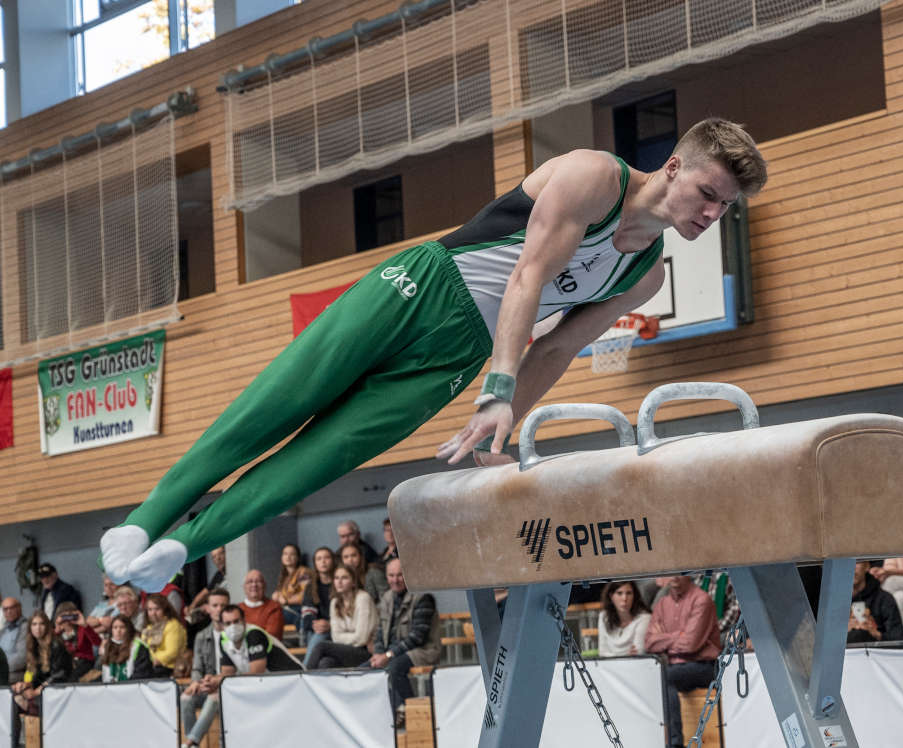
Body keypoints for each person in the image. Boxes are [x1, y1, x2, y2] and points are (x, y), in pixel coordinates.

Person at [100, 119, 768, 591]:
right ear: (674, 166)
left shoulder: (647, 275)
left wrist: (501, 421)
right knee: (272, 408)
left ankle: (184, 544)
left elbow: (558, 344)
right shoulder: (596, 177)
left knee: (322, 457)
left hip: (460, 353)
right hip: (422, 287)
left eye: (726, 207)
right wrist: (498, 387)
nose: (713, 214)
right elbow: (526, 275)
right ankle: (146, 518)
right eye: (708, 194)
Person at [645, 576, 721, 748]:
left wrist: (664, 639)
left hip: (705, 667)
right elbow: (649, 643)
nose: (674, 577)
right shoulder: (662, 604)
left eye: (679, 572)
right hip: (675, 668)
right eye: (670, 572)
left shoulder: (702, 599)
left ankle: (675, 744)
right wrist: (679, 635)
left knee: (666, 676)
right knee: (656, 676)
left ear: (689, 574)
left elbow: (690, 644)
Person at [364, 558, 440, 726]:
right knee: (363, 671)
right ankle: (380, 717)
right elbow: (379, 632)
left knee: (395, 667)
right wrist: (378, 654)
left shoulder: (423, 598)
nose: (395, 580)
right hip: (391, 652)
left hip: (423, 650)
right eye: (391, 575)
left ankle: (413, 713)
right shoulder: (386, 598)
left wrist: (388, 655)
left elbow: (417, 637)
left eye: (400, 575)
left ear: (408, 576)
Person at [11, 611, 72, 739]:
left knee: (25, 701)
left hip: (58, 690)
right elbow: (31, 672)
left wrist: (38, 690)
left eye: (41, 624)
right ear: (30, 628)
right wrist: (25, 684)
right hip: (43, 689)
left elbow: (60, 675)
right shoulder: (33, 646)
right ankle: (19, 741)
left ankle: (35, 740)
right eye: (34, 624)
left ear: (47, 626)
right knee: (15, 697)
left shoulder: (56, 644)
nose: (38, 628)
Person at [180, 588, 230, 748]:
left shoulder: (234, 633)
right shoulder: (201, 636)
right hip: (207, 684)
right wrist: (195, 682)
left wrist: (218, 682)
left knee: (214, 697)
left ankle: (191, 742)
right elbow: (197, 668)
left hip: (227, 685)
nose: (219, 609)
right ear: (207, 608)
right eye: (215, 605)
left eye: (223, 605)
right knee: (185, 698)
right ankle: (193, 743)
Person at [306, 563, 377, 670]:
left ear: (353, 582)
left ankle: (303, 678)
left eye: (344, 578)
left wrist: (345, 637)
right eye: (336, 578)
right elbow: (335, 636)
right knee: (326, 663)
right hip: (346, 650)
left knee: (321, 646)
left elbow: (362, 638)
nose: (339, 582)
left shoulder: (363, 598)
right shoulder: (335, 602)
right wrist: (353, 636)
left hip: (366, 651)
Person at [218, 605, 303, 675]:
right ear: (222, 625)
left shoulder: (254, 634)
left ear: (244, 621)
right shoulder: (224, 639)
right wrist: (213, 681)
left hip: (293, 676)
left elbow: (256, 674)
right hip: (269, 683)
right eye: (228, 623)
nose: (233, 627)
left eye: (236, 621)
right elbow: (227, 674)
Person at [846, 561, 903, 644]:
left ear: (867, 566)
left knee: (859, 634)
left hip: (877, 652)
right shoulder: (831, 601)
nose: (851, 567)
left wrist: (875, 633)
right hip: (842, 653)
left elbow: (899, 640)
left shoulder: (884, 599)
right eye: (846, 563)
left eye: (857, 562)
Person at [271, 543, 316, 641]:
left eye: (292, 554)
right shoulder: (284, 577)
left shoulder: (304, 572)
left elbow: (305, 595)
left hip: (299, 610)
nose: (288, 557)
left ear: (298, 557)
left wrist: (286, 600)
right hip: (288, 610)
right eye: (285, 554)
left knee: (273, 615)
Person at [597, 581, 651, 657]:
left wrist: (613, 655)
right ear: (611, 596)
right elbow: (602, 653)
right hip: (608, 667)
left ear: (634, 596)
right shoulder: (603, 616)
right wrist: (626, 655)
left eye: (629, 593)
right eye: (619, 593)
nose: (624, 598)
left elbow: (639, 653)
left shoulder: (644, 617)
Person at [304, 546, 336, 666]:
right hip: (317, 630)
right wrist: (318, 625)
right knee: (318, 635)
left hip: (337, 628)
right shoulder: (311, 587)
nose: (323, 561)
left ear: (333, 560)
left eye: (326, 558)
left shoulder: (339, 582)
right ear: (315, 563)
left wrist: (330, 624)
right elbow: (307, 617)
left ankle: (304, 671)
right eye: (319, 559)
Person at [141, 593, 187, 677]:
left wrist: (154, 660)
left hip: (169, 668)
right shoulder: (148, 629)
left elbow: (172, 652)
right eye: (150, 610)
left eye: (157, 609)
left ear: (165, 610)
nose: (153, 613)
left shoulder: (173, 625)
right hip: (151, 667)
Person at [53, 602, 102, 680]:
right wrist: (57, 628)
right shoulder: (58, 633)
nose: (68, 619)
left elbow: (98, 642)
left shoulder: (82, 628)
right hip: (66, 664)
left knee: (72, 678)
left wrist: (84, 624)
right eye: (64, 616)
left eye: (70, 615)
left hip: (84, 663)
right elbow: (49, 647)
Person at [100, 615, 153, 682]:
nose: (118, 631)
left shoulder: (139, 646)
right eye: (115, 627)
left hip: (134, 687)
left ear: (129, 629)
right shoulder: (108, 646)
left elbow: (142, 673)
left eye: (122, 627)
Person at [870, 555, 903, 625]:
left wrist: (890, 572)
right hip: (900, 586)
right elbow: (888, 568)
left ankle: (876, 615)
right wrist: (881, 573)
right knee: (900, 597)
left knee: (890, 581)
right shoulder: (895, 548)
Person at [239, 570, 284, 640]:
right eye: (250, 582)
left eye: (258, 581)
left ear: (264, 585)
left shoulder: (274, 607)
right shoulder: (237, 610)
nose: (254, 585)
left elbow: (272, 636)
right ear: (244, 587)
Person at [188, 547, 227, 614]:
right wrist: (192, 606)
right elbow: (205, 592)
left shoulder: (232, 573)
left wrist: (208, 606)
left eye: (221, 553)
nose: (218, 558)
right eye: (214, 557)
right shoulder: (218, 575)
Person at [0, 597, 27, 683]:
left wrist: (3, 668)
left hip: (15, 675)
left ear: (19, 608)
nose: (8, 611)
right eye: (5, 609)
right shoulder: (3, 629)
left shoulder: (25, 627)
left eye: (11, 608)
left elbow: (22, 658)